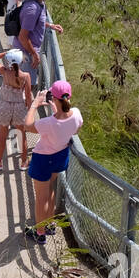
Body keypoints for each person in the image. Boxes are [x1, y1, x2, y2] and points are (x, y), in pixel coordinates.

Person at [22, 80, 83, 245]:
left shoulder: (48, 123)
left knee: (41, 198)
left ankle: (39, 232)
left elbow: (27, 125)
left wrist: (35, 104)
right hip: (60, 155)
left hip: (43, 159)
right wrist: (56, 111)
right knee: (50, 190)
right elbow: (73, 129)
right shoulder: (76, 114)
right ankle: (49, 225)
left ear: (54, 98)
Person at [16, 0, 63, 91]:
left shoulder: (38, 2)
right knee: (26, 87)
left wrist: (50, 25)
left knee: (26, 86)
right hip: (26, 54)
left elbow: (35, 23)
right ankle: (24, 108)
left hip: (28, 51)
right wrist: (34, 54)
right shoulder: (32, 8)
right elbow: (23, 37)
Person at [0, 48, 32, 170]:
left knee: (2, 135)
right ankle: (23, 162)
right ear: (21, 62)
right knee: (21, 135)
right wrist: (29, 110)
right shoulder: (26, 76)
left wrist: (6, 53)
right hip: (19, 107)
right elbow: (28, 95)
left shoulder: (4, 71)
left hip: (5, 106)